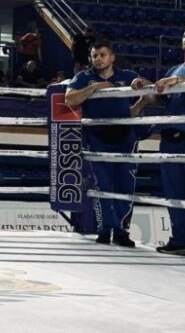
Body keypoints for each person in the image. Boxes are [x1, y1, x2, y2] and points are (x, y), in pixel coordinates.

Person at [131, 24, 185, 258]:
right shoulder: (175, 69)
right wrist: (145, 87)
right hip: (171, 135)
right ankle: (180, 240)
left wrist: (180, 81)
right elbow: (160, 97)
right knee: (175, 191)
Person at [65, 42, 146, 246]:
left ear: (112, 57)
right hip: (97, 136)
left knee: (125, 185)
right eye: (94, 55)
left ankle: (121, 231)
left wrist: (140, 101)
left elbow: (151, 92)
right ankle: (103, 229)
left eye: (102, 55)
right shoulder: (84, 77)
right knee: (102, 185)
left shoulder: (127, 76)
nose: (98, 59)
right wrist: (93, 88)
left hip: (125, 136)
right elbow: (69, 99)